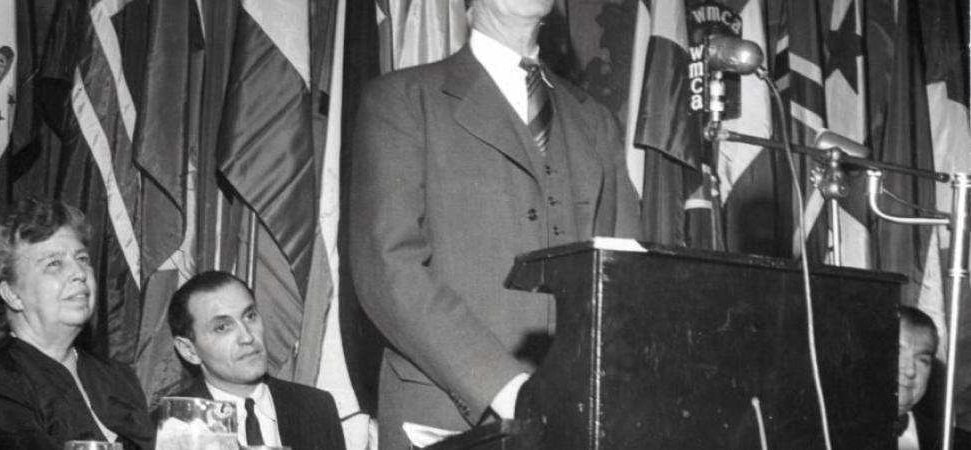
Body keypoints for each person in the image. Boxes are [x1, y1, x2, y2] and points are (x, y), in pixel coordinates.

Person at [349, 0, 640, 447]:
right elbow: (388, 269)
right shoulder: (403, 100)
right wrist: (502, 387)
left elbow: (623, 279)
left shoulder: (595, 122)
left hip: (577, 422)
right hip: (450, 418)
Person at [0, 198, 154, 449]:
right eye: (54, 264)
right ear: (13, 294)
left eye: (83, 258)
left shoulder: (118, 376)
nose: (79, 273)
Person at [166, 271, 344, 450]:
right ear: (189, 350)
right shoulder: (173, 424)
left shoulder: (317, 407)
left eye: (250, 316)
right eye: (222, 327)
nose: (247, 337)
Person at [896, 306, 971, 450]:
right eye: (898, 353)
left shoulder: (958, 443)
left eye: (923, 360)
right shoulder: (840, 435)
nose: (911, 370)